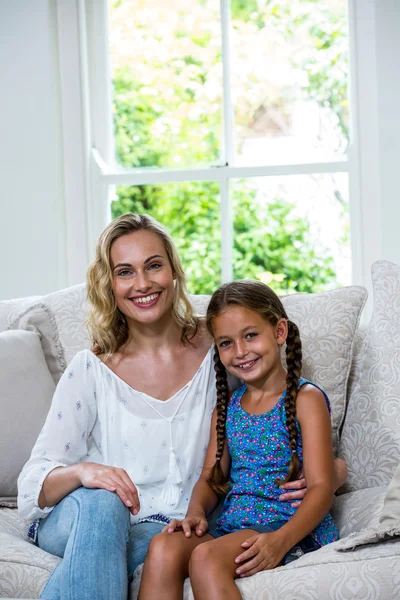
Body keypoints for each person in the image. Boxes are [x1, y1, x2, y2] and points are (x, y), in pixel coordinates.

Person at [18, 214, 345, 600]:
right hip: (81, 517)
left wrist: (331, 475)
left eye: (153, 265)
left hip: (166, 528)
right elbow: (30, 489)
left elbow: (275, 417)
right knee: (105, 505)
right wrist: (86, 472)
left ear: (173, 270)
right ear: (110, 284)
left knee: (160, 546)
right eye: (125, 272)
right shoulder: (91, 369)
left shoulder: (221, 351)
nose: (142, 283)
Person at [138, 280, 340, 600]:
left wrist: (281, 541)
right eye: (226, 343)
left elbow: (321, 488)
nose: (240, 352)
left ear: (279, 332)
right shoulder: (227, 408)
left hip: (286, 527)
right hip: (233, 528)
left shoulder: (306, 399)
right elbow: (210, 478)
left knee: (205, 558)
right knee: (163, 546)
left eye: (250, 335)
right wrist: (196, 513)